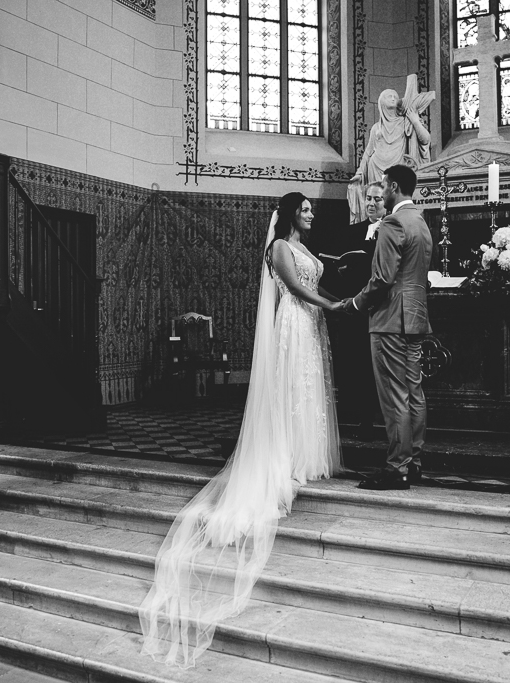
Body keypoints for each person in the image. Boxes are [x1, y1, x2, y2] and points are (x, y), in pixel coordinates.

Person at [139, 192, 343, 668]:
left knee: (310, 397)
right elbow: (294, 289)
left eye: (313, 210)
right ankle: (285, 460)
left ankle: (305, 458)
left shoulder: (308, 248)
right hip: (294, 324)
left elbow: (314, 273)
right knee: (292, 393)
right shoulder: (278, 249)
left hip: (311, 327)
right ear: (292, 212)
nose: (312, 214)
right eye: (307, 209)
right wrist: (333, 305)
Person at [338, 165, 432, 490]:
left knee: (394, 396)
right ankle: (414, 462)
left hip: (390, 318)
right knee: (414, 393)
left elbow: (381, 279)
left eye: (384, 187)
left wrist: (354, 304)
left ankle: (397, 468)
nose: (382, 193)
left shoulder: (393, 222)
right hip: (416, 316)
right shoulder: (420, 221)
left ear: (392, 186)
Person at [321, 182, 386, 436]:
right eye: (368, 198)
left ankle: (377, 419)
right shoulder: (352, 231)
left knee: (375, 366)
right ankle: (358, 417)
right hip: (352, 306)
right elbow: (338, 260)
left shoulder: (392, 229)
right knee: (354, 364)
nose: (371, 203)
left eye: (377, 199)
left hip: (378, 308)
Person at [347, 74, 435, 223]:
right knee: (377, 204)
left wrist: (414, 120)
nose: (394, 98)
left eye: (395, 96)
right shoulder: (376, 128)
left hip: (396, 168)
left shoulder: (405, 121)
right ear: (381, 102)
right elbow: (368, 152)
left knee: (395, 205)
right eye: (389, 96)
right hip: (375, 167)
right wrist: (360, 172)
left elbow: (425, 139)